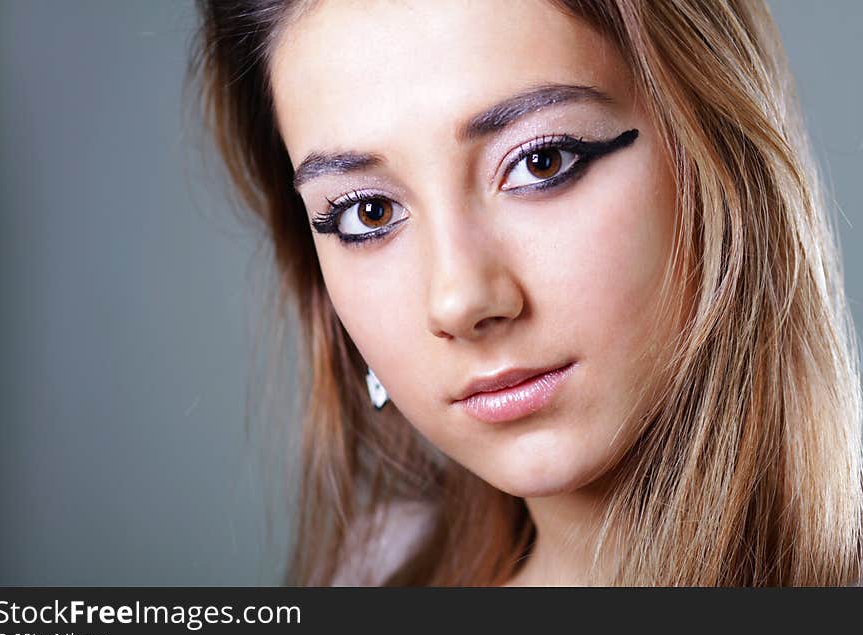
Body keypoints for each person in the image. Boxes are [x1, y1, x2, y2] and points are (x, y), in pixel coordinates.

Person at [188, 0, 863, 586]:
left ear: (720, 155)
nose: (459, 300)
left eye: (542, 161)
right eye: (367, 213)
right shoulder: (379, 576)